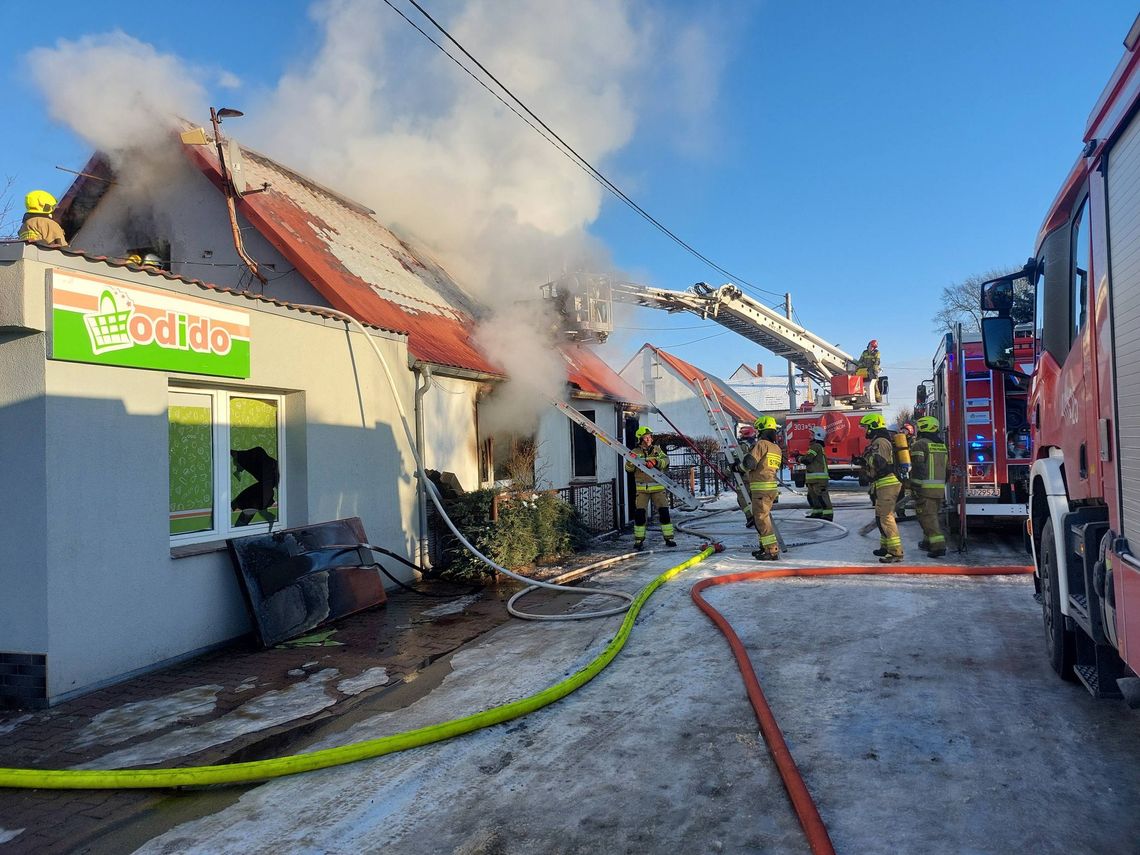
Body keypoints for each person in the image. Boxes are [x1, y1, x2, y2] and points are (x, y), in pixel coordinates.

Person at [860, 412, 903, 563]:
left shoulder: (881, 441)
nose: (865, 430)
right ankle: (885, 547)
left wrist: (868, 458)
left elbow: (880, 463)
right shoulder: (878, 441)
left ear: (873, 426)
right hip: (882, 484)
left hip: (887, 484)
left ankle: (896, 552)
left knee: (886, 518)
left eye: (866, 427)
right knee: (880, 517)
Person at [625, 426, 676, 549]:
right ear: (640, 439)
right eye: (646, 437)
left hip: (658, 489)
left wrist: (655, 462)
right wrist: (630, 461)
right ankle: (638, 541)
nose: (648, 439)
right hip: (642, 490)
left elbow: (666, 461)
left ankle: (669, 539)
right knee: (640, 515)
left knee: (664, 513)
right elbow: (628, 469)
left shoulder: (657, 450)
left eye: (649, 437)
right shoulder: (635, 452)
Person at [744, 415, 784, 560]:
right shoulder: (776, 448)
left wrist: (737, 466)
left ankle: (771, 550)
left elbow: (749, 463)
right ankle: (764, 547)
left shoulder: (761, 445)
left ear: (761, 429)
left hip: (761, 489)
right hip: (771, 488)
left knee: (761, 520)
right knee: (763, 519)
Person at [910, 416, 948, 557]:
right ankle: (927, 542)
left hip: (925, 489)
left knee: (927, 517)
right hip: (938, 489)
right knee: (931, 516)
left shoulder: (920, 444)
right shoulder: (941, 445)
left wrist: (915, 486)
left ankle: (938, 547)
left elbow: (918, 467)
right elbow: (947, 469)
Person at [800, 425, 833, 520]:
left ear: (817, 435)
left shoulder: (816, 446)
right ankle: (817, 513)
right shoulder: (815, 447)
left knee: (821, 497)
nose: (810, 436)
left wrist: (798, 457)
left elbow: (808, 459)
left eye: (812, 434)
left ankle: (828, 515)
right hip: (814, 478)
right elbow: (809, 457)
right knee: (813, 497)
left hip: (819, 479)